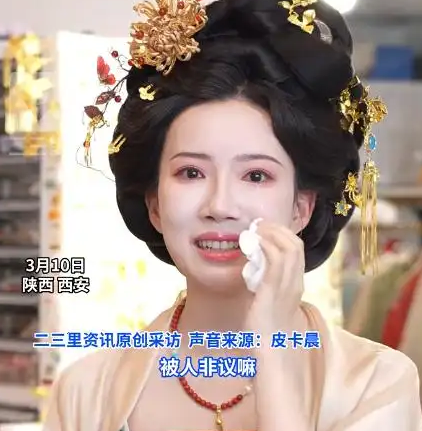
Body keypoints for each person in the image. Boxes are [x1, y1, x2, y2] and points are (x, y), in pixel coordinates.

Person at [43, 0, 422, 430]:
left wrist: (272, 348)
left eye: (256, 175)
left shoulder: (376, 383)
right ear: (155, 205)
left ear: (301, 207)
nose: (220, 205)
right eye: (191, 173)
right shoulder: (86, 392)